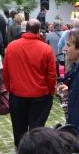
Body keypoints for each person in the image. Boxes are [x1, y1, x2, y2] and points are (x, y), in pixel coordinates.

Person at [3, 19, 56, 147]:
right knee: (37, 125)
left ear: (25, 29)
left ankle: (21, 148)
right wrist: (50, 90)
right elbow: (51, 74)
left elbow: (5, 71)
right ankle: (35, 148)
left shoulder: (11, 46)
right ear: (39, 31)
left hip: (18, 93)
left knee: (18, 124)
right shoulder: (46, 49)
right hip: (40, 94)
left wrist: (10, 88)